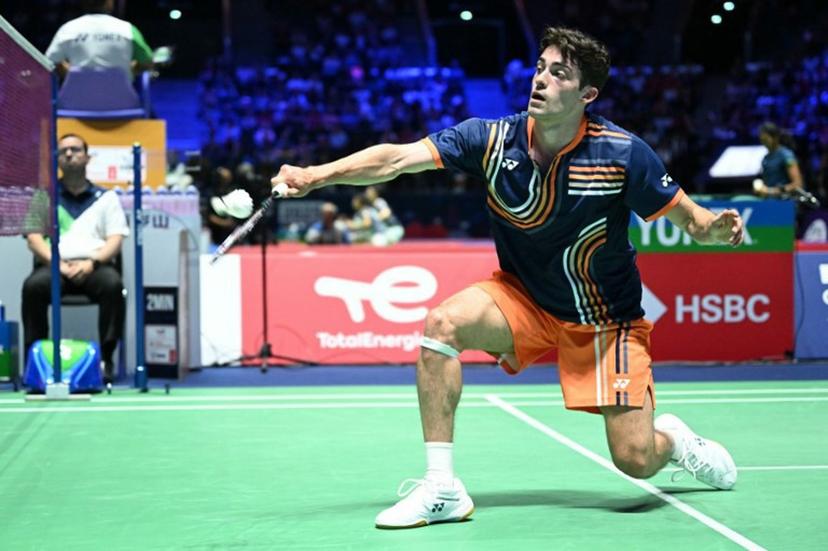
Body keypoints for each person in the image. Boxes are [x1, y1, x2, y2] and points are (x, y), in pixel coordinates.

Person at [272, 26, 745, 529]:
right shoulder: (491, 140)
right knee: (442, 326)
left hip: (607, 320)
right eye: (540, 67)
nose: (540, 80)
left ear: (588, 95)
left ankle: (673, 440)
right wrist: (316, 175)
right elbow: (395, 159)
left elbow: (694, 223)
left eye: (558, 73)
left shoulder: (623, 156)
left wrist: (719, 230)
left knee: (634, 458)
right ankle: (442, 487)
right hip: (526, 299)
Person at [22, 134, 129, 384]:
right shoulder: (43, 196)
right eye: (63, 151)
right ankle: (36, 361)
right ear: (56, 159)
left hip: (93, 266)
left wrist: (92, 263)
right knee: (33, 287)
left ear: (87, 157)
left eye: (75, 150)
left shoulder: (106, 198)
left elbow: (115, 238)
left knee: (113, 285)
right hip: (54, 266)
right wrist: (56, 263)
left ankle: (106, 359)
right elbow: (34, 238)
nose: (69, 154)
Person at [44, 0, 154, 81]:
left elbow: (49, 63)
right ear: (109, 3)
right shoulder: (128, 29)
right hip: (121, 104)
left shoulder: (68, 29)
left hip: (77, 105)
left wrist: (71, 74)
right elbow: (148, 62)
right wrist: (130, 70)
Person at [753, 122, 804, 198]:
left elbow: (797, 184)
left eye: (766, 139)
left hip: (785, 203)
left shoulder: (786, 155)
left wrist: (770, 191)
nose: (764, 143)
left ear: (775, 138)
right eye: (762, 140)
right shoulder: (765, 158)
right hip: (770, 203)